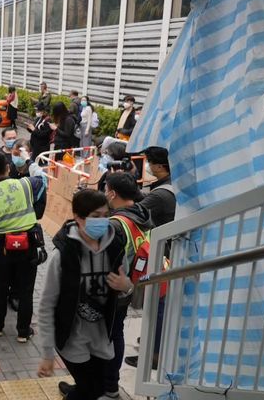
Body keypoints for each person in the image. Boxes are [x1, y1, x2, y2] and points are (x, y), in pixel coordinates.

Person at [58, 173, 153, 399]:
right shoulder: (142, 215)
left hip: (107, 291)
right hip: (127, 286)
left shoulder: (115, 224)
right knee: (115, 334)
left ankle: (94, 385)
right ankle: (109, 385)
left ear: (112, 193)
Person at [37, 190, 131, 400]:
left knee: (93, 387)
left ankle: (76, 390)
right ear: (79, 218)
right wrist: (46, 353)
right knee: (91, 389)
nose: (103, 221)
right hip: (72, 338)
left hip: (101, 336)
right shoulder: (63, 254)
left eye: (106, 215)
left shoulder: (115, 247)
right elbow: (46, 305)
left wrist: (126, 286)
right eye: (95, 216)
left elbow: (128, 286)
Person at [0, 151, 48, 342]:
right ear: (8, 167)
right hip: (27, 246)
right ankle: (23, 331)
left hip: (2, 248)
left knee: (0, 287)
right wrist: (29, 160)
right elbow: (42, 178)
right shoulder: (25, 184)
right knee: (26, 290)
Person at [124, 146, 175, 370]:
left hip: (163, 254)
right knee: (160, 302)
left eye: (150, 162)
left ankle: (154, 353)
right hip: (168, 252)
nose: (148, 166)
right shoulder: (170, 186)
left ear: (160, 166)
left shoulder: (161, 195)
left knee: (158, 303)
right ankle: (153, 341)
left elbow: (137, 212)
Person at [137, 146, 175, 227]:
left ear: (159, 167)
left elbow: (135, 212)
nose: (147, 165)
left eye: (148, 162)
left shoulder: (159, 194)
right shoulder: (174, 181)